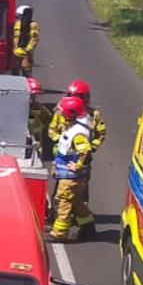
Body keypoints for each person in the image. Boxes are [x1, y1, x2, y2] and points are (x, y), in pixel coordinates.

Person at [50, 96, 96, 241]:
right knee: (75, 201)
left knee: (63, 201)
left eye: (62, 111)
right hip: (69, 173)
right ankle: (88, 227)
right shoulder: (72, 126)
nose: (60, 113)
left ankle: (59, 233)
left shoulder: (78, 133)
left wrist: (77, 165)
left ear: (70, 113)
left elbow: (85, 150)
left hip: (71, 176)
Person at [11, 5, 40, 76]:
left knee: (26, 70)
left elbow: (34, 39)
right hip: (15, 51)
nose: (18, 18)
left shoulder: (33, 25)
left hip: (25, 53)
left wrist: (27, 50)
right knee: (14, 70)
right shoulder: (17, 24)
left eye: (19, 16)